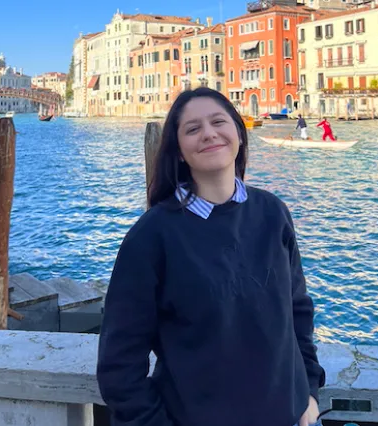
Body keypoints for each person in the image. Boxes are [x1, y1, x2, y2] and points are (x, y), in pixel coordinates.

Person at [97, 87, 326, 426]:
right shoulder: (151, 236)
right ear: (178, 152)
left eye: (219, 121)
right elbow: (119, 364)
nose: (209, 133)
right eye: (193, 129)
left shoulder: (273, 213)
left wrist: (308, 391)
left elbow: (298, 312)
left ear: (238, 132)